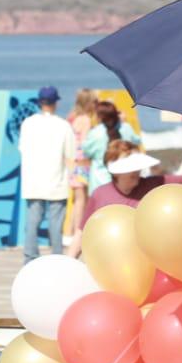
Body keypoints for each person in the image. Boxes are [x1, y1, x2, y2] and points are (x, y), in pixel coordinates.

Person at [79, 141, 182, 224]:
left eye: (138, 167)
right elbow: (82, 232)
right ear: (116, 172)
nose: (137, 172)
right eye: (132, 168)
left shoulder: (153, 185)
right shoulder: (100, 195)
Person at [18, 86, 76, 264]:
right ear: (55, 103)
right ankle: (57, 256)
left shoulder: (28, 123)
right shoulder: (63, 125)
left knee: (33, 220)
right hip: (56, 180)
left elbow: (22, 148)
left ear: (39, 102)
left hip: (33, 180)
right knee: (56, 222)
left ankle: (30, 257)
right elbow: (70, 154)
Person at [65, 89, 99, 253]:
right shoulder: (85, 119)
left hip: (72, 161)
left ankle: (70, 232)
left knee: (76, 199)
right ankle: (78, 232)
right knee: (81, 199)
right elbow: (85, 143)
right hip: (82, 163)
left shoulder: (71, 117)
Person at [80, 100, 140, 193]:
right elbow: (136, 143)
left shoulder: (95, 133)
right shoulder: (126, 128)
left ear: (99, 117)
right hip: (123, 181)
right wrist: (125, 122)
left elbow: (86, 152)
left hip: (99, 183)